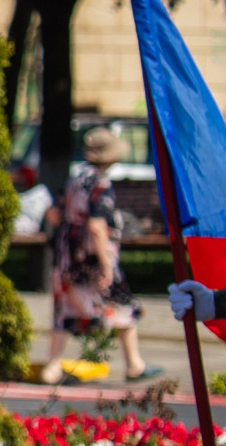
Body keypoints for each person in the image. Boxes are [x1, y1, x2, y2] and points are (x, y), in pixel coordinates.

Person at [40, 125, 156, 383]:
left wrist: (71, 229)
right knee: (124, 305)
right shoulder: (101, 185)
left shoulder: (76, 178)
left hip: (67, 256)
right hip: (92, 258)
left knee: (64, 310)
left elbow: (53, 213)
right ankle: (134, 365)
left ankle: (51, 367)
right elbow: (96, 226)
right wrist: (106, 265)